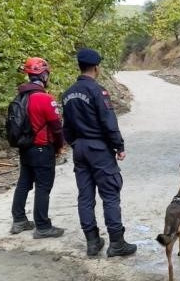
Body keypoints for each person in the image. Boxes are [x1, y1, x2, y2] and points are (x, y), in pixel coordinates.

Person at [61, 48, 136, 257]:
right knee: (110, 195)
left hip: (80, 149)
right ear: (96, 67)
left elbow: (66, 128)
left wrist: (75, 144)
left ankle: (92, 242)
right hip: (99, 149)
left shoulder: (67, 94)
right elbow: (108, 122)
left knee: (85, 196)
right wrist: (119, 146)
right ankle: (117, 243)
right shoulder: (98, 91)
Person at [10, 57, 65, 239]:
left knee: (24, 183)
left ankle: (19, 220)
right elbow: (56, 128)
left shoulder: (21, 96)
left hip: (25, 148)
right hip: (42, 149)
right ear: (44, 75)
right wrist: (59, 146)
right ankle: (42, 226)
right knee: (43, 186)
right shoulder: (45, 98)